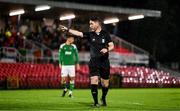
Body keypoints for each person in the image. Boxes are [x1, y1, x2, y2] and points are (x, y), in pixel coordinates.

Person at [60, 16, 114, 107]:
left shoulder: (105, 34)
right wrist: (68, 30)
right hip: (93, 62)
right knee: (94, 80)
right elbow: (78, 33)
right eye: (89, 23)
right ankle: (96, 102)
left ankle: (103, 97)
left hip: (104, 62)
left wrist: (107, 49)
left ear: (97, 23)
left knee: (105, 84)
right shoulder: (90, 34)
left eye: (92, 23)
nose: (90, 25)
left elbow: (112, 45)